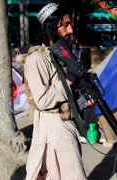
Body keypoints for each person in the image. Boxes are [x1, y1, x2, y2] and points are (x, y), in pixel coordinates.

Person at [24, 3, 94, 180]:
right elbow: (43, 101)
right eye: (66, 24)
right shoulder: (37, 58)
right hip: (52, 127)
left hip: (66, 123)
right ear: (52, 25)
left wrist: (81, 101)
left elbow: (63, 93)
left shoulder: (57, 55)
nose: (70, 29)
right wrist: (70, 79)